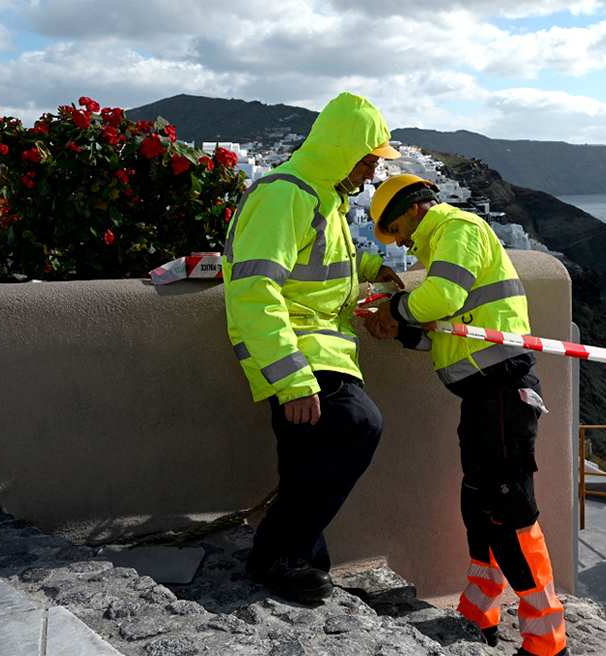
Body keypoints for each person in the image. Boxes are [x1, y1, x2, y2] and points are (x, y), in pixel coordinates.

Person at [364, 174, 568, 656]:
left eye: (400, 231)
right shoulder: (441, 248)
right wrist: (403, 333)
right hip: (481, 400)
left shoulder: (459, 228)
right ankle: (480, 614)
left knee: (510, 509)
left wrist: (394, 308)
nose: (405, 244)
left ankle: (547, 642)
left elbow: (443, 300)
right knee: (479, 505)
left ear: (415, 209)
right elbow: (453, 333)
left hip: (503, 394)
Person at [221, 92, 404, 604]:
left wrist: (372, 270)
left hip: (312, 349)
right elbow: (254, 290)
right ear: (343, 151)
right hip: (299, 353)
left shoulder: (322, 198)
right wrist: (293, 378)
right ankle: (274, 555)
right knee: (356, 424)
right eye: (368, 160)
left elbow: (319, 265)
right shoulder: (286, 194)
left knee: (304, 462)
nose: (371, 173)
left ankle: (301, 564)